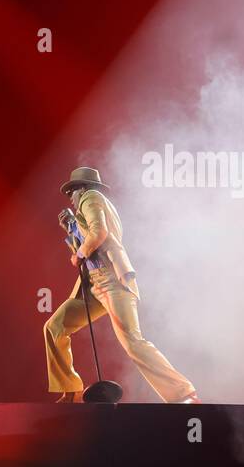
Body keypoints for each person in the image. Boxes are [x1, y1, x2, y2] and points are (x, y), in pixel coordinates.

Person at [43, 167, 200, 404]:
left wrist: (81, 252)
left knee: (133, 341)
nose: (71, 200)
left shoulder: (91, 198)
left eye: (71, 193)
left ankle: (183, 393)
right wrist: (72, 230)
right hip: (94, 285)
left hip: (112, 280)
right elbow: (84, 247)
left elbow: (99, 232)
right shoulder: (88, 205)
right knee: (55, 327)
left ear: (81, 188)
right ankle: (72, 389)